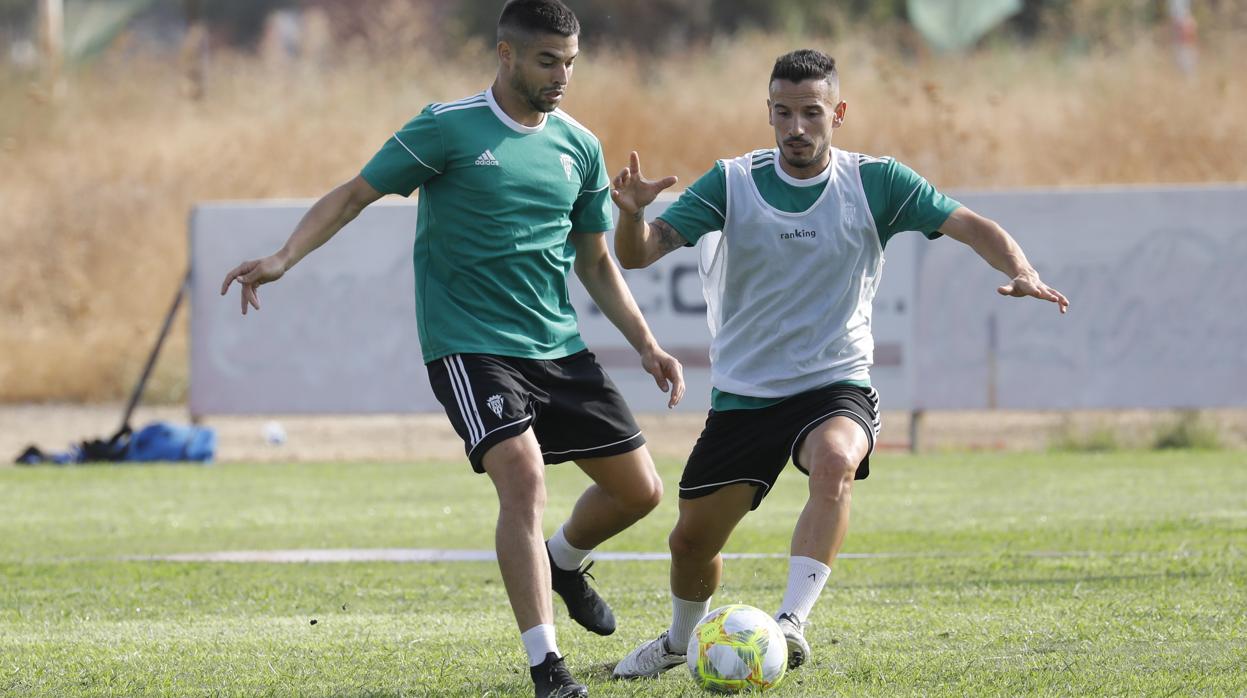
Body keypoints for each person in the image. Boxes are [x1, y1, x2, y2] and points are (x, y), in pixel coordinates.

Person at [220, 2, 685, 696]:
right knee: (522, 476)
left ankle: (562, 562)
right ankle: (546, 668)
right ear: (505, 55)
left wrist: (647, 345)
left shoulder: (579, 146)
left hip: (555, 345)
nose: (561, 76)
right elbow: (353, 195)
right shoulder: (446, 127)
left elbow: (593, 261)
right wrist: (286, 257)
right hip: (468, 344)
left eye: (569, 62)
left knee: (640, 492)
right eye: (546, 61)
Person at [609, 48, 1068, 679]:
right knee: (690, 544)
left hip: (835, 383)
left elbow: (970, 224)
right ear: (768, 113)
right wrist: (631, 215)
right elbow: (638, 257)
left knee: (834, 461)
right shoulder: (732, 182)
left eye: (811, 113)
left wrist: (1022, 270)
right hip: (745, 395)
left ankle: (792, 622)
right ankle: (678, 641)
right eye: (782, 113)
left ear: (838, 113)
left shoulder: (874, 182)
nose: (796, 128)